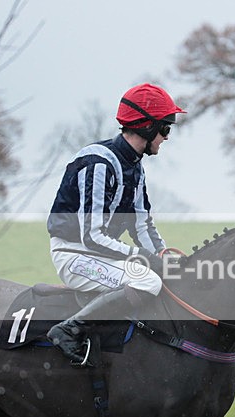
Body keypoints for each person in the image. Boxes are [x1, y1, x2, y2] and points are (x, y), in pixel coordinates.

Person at [46, 83, 185, 365]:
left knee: (165, 276)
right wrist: (144, 258)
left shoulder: (134, 166)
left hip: (102, 255)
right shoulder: (98, 163)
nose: (166, 137)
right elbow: (92, 237)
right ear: (147, 127)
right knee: (146, 280)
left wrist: (162, 256)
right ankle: (69, 329)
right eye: (165, 129)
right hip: (75, 255)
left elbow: (142, 226)